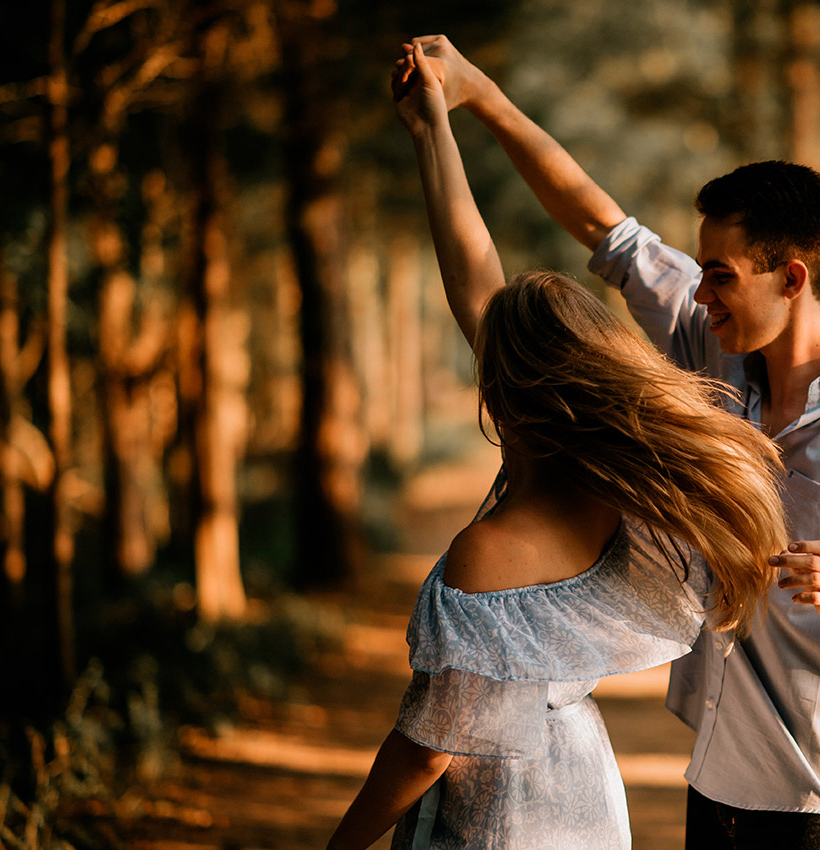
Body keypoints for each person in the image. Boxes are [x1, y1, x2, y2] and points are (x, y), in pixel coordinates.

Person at [407, 34, 820, 850]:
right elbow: (601, 227)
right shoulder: (713, 352)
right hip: (713, 785)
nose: (701, 291)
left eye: (721, 274)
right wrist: (479, 99)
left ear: (791, 278)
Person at [325, 43, 790, 850]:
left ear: (505, 391)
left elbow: (432, 747)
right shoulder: (629, 501)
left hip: (502, 816)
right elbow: (476, 277)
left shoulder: (490, 552)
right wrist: (434, 128)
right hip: (584, 790)